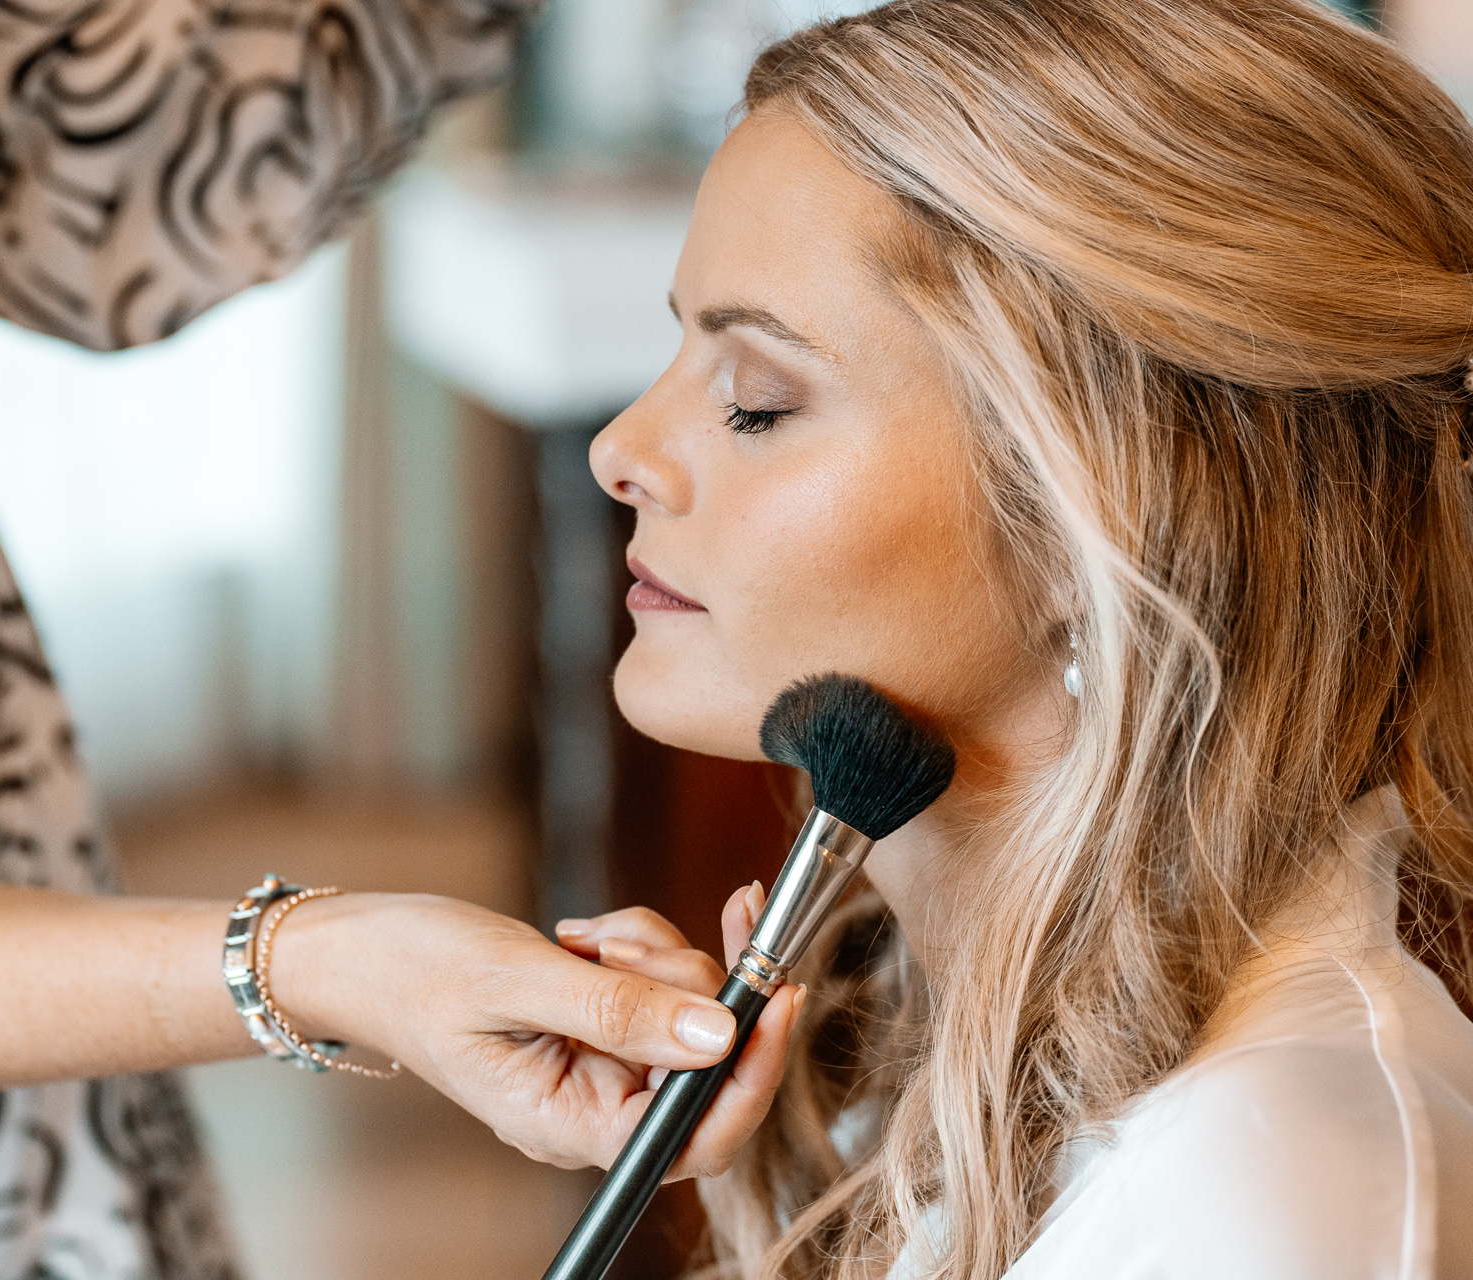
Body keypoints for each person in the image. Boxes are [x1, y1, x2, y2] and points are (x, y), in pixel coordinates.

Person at [0, 0, 807, 1274]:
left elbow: (118, 188)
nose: (617, 455)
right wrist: (324, 962)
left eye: (762, 400)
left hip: (8, 884)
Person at [551, 1, 1473, 1277]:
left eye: (755, 402)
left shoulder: (1266, 1192)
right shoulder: (942, 1040)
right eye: (676, 349)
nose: (621, 451)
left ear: (1104, 516)